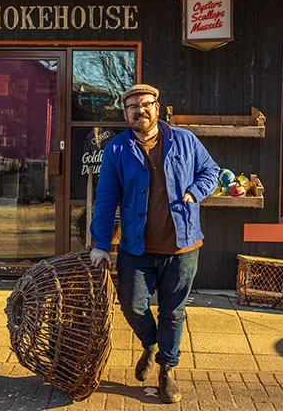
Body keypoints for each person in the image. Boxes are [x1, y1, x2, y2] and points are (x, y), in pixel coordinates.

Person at [89, 84, 219, 403]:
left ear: (157, 108)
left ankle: (166, 370)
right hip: (136, 248)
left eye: (145, 104)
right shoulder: (117, 150)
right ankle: (152, 345)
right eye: (133, 107)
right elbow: (106, 200)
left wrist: (193, 193)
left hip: (182, 246)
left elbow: (211, 171)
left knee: (173, 312)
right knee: (133, 306)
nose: (140, 110)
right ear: (126, 114)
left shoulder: (185, 141)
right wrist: (100, 243)